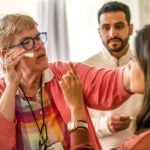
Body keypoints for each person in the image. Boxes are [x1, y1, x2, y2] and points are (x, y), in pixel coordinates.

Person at [0, 13, 131, 150]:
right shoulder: (4, 91)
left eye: (38, 38)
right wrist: (12, 85)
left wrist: (135, 70)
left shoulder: (66, 73)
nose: (39, 45)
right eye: (26, 42)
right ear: (6, 54)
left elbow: (111, 83)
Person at [84, 1, 143, 149]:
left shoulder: (145, 64)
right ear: (99, 32)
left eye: (119, 26)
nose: (112, 33)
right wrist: (106, 125)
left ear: (130, 29)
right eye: (106, 28)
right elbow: (76, 121)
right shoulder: (85, 68)